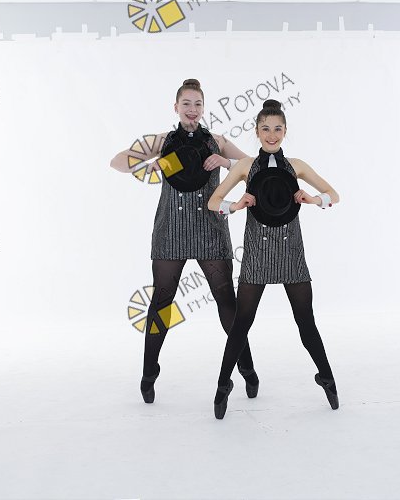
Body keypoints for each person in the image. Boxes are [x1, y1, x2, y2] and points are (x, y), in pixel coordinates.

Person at [110, 78, 259, 404]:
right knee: (161, 302)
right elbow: (117, 162)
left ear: (203, 108)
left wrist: (226, 163)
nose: (192, 110)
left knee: (227, 300)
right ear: (176, 107)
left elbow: (255, 168)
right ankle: (149, 372)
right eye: (186, 104)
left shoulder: (217, 141)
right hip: (170, 230)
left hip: (210, 229)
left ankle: (247, 368)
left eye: (197, 104)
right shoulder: (162, 141)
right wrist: (155, 162)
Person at [207, 99, 340, 419]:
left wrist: (312, 199)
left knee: (305, 321)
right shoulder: (244, 165)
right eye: (265, 128)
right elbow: (214, 202)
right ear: (256, 131)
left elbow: (334, 195)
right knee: (241, 323)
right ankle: (223, 385)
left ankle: (327, 379)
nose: (271, 134)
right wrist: (236, 205)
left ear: (285, 131)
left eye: (277, 129)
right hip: (257, 253)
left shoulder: (297, 165)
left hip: (291, 252)